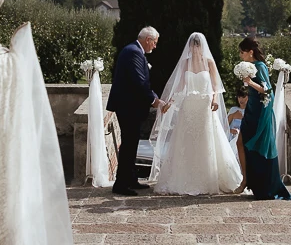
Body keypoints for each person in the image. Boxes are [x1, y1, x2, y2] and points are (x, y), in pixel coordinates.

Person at [148, 33, 243, 195]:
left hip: (204, 106)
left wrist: (214, 100)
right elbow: (179, 86)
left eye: (197, 45)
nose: (194, 48)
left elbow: (215, 86)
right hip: (189, 106)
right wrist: (170, 102)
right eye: (192, 45)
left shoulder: (209, 62)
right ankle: (184, 179)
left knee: (206, 141)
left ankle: (208, 178)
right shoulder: (185, 63)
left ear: (202, 46)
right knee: (186, 142)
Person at [105, 27, 168, 196]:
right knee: (128, 145)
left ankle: (131, 179)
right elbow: (139, 83)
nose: (154, 47)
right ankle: (121, 184)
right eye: (154, 43)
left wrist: (155, 98)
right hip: (128, 106)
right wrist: (155, 101)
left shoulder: (133, 50)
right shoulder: (134, 53)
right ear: (148, 39)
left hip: (129, 106)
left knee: (132, 144)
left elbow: (142, 83)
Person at [238, 36, 291, 201]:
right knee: (240, 142)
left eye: (242, 52)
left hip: (260, 112)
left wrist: (249, 82)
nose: (240, 55)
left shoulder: (260, 66)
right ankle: (246, 180)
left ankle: (258, 184)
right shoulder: (251, 66)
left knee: (253, 143)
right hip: (251, 108)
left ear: (250, 52)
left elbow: (267, 90)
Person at [227, 85, 247, 190]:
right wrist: (233, 116)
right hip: (232, 136)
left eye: (243, 97)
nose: (241, 100)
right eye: (239, 97)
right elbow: (224, 125)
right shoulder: (234, 110)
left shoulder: (250, 111)